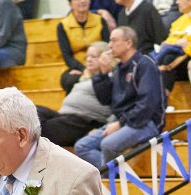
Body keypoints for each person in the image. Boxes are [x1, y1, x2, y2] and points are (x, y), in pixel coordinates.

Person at [74, 26, 163, 169]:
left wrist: (120, 124)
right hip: (124, 121)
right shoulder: (118, 69)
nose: (109, 45)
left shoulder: (144, 64)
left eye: (114, 41)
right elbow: (105, 100)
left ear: (128, 43)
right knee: (82, 146)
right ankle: (117, 172)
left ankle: (110, 178)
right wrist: (102, 74)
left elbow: (146, 105)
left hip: (146, 122)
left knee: (107, 144)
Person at [36, 41, 113, 147]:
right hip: (65, 116)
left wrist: (104, 128)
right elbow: (66, 79)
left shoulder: (110, 78)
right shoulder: (84, 77)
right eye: (87, 56)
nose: (89, 59)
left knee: (44, 129)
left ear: (106, 58)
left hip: (86, 120)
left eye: (93, 56)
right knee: (34, 111)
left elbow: (116, 105)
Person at [56, 0, 109, 93]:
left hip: (100, 65)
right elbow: (67, 56)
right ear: (70, 4)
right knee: (68, 80)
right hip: (78, 67)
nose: (82, 1)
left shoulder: (100, 20)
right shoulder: (63, 26)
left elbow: (106, 47)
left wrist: (97, 67)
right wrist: (84, 69)